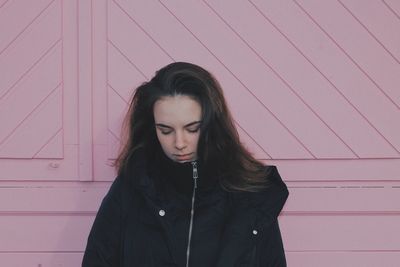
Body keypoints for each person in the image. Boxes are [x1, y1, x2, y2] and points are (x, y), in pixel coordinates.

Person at [82, 62, 289, 266]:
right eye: (165, 130)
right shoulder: (132, 187)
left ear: (212, 123)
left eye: (192, 129)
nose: (179, 143)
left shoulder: (250, 194)